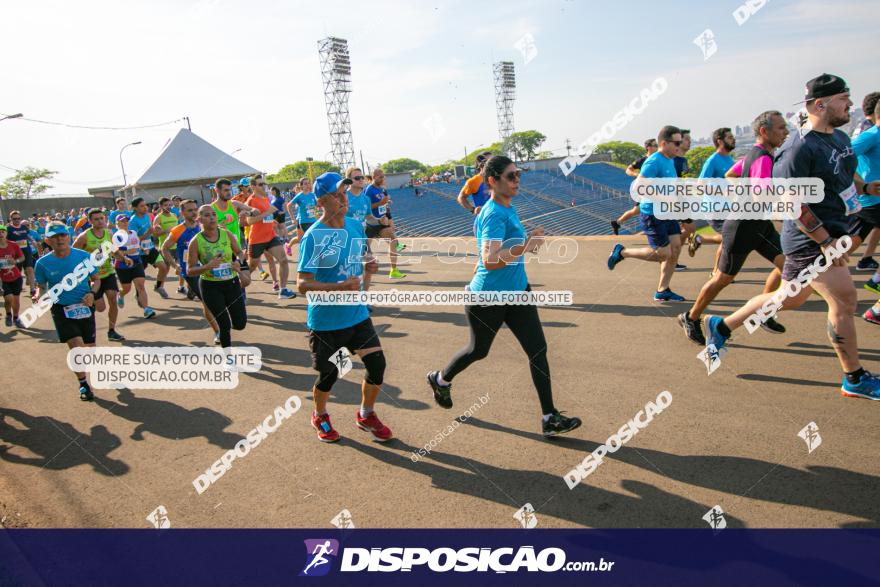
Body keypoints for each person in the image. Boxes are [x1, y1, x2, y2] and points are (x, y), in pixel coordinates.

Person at [702, 74, 880, 399]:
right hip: (809, 239)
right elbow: (790, 202)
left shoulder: (839, 138)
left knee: (790, 297)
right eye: (844, 98)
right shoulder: (798, 147)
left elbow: (845, 174)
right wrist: (825, 240)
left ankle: (722, 326)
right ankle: (853, 378)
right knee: (844, 298)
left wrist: (865, 187)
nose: (850, 104)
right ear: (820, 104)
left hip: (831, 232)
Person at [426, 155, 582, 437]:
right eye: (510, 176)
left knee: (538, 350)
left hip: (518, 293)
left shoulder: (506, 207)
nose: (517, 179)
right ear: (492, 181)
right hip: (488, 298)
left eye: (518, 174)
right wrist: (526, 245)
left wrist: (524, 246)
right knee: (479, 351)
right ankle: (440, 379)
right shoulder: (494, 213)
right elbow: (490, 260)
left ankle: (549, 417)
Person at [296, 172, 392, 443]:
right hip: (327, 321)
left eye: (344, 193)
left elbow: (360, 261)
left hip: (357, 314)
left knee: (377, 365)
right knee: (331, 374)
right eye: (336, 195)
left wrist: (368, 267)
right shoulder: (314, 237)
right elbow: (303, 285)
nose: (343, 199)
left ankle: (366, 413)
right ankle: (320, 414)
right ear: (320, 201)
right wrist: (338, 287)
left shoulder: (354, 226)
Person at [679, 112, 789, 344]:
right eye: (781, 128)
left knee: (788, 266)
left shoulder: (754, 155)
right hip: (742, 227)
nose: (785, 132)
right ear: (764, 132)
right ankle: (691, 317)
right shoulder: (762, 159)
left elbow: (731, 174)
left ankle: (764, 310)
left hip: (760, 225)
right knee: (722, 279)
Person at [607, 125, 686, 302]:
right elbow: (640, 186)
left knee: (676, 248)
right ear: (664, 143)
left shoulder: (669, 159)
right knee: (663, 254)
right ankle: (622, 252)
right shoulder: (654, 161)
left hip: (667, 213)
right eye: (676, 142)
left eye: (680, 142)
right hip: (653, 214)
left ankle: (662, 290)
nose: (679, 146)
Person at [33, 222, 104, 401]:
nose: (60, 239)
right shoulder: (42, 263)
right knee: (76, 345)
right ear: (47, 240)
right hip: (61, 308)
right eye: (55, 237)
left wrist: (91, 293)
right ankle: (83, 384)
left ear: (69, 236)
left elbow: (96, 280)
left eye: (63, 235)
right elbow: (41, 286)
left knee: (89, 348)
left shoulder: (84, 257)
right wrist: (38, 295)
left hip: (84, 305)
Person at [187, 205, 249, 348]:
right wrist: (207, 266)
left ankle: (227, 328)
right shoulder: (196, 242)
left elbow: (239, 252)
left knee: (240, 324)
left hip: (231, 283)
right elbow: (190, 270)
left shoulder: (226, 234)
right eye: (207, 215)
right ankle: (228, 357)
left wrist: (238, 262)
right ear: (199, 219)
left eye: (214, 214)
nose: (212, 218)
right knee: (224, 324)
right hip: (210, 286)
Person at [162, 199, 221, 344]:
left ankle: (220, 322)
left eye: (195, 209)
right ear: (181, 212)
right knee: (207, 302)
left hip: (209, 267)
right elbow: (164, 248)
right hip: (191, 271)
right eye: (189, 210)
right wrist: (175, 265)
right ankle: (218, 331)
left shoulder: (204, 226)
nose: (194, 212)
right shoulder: (177, 230)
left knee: (218, 299)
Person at [72, 209, 125, 341]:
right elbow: (73, 254)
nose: (100, 221)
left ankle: (112, 331)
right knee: (100, 308)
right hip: (93, 277)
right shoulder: (84, 236)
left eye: (102, 218)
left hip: (108, 272)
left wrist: (123, 258)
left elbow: (113, 250)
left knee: (113, 298)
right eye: (96, 219)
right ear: (90, 221)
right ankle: (84, 324)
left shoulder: (108, 233)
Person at [243, 174, 296, 299]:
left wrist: (273, 221)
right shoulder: (251, 200)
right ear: (253, 186)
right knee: (252, 266)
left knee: (283, 260)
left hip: (270, 236)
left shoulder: (266, 198)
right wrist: (267, 213)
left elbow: (267, 217)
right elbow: (249, 221)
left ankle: (282, 290)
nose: (264, 186)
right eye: (261, 184)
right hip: (257, 239)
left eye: (264, 183)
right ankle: (238, 287)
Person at [852, 96, 880, 299]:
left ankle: (817, 270)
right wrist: (861, 183)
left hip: (872, 201)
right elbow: (844, 156)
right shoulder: (871, 135)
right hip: (871, 199)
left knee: (850, 242)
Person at [364, 168, 406, 279]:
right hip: (371, 223)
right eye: (380, 176)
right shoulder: (369, 190)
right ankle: (356, 272)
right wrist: (380, 203)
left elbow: (382, 204)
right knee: (364, 250)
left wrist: (386, 203)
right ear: (374, 177)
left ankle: (394, 270)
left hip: (382, 222)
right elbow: (366, 208)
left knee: (393, 239)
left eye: (384, 176)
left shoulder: (380, 189)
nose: (383, 178)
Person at [112, 215, 157, 319]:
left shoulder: (133, 232)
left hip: (136, 261)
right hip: (123, 264)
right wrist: (128, 252)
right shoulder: (117, 236)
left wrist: (142, 249)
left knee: (140, 285)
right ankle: (121, 294)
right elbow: (116, 252)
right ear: (117, 224)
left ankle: (146, 309)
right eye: (122, 221)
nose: (125, 223)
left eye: (126, 221)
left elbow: (137, 244)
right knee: (127, 288)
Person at [612, 139, 658, 235]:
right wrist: (636, 174)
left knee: (636, 210)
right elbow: (628, 169)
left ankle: (617, 223)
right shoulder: (643, 160)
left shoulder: (658, 159)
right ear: (648, 147)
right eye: (655, 145)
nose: (657, 147)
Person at [128, 198, 170, 299]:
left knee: (164, 268)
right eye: (141, 206)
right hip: (139, 253)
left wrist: (158, 229)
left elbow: (152, 231)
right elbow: (134, 240)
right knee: (140, 277)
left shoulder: (147, 216)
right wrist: (148, 233)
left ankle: (158, 286)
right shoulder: (133, 221)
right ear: (135, 208)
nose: (145, 207)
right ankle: (139, 293)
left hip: (150, 249)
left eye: (145, 205)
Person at [152, 197, 184, 294]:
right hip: (165, 248)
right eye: (166, 205)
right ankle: (159, 286)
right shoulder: (158, 218)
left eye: (170, 205)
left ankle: (181, 287)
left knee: (182, 266)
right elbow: (155, 234)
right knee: (165, 269)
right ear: (161, 206)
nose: (168, 207)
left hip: (177, 246)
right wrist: (167, 230)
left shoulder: (174, 215)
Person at [6, 211, 37, 298]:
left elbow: (27, 235)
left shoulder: (23, 226)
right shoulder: (8, 228)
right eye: (14, 219)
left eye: (18, 218)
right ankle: (16, 288)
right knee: (17, 272)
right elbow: (5, 240)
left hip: (26, 251)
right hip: (15, 253)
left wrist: (32, 240)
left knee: (30, 269)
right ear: (11, 219)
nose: (17, 220)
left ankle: (32, 289)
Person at [0, 224, 25, 328]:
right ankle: (8, 315)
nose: (1, 234)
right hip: (3, 279)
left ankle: (16, 318)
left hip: (16, 276)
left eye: (2, 231)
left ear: (6, 233)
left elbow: (22, 257)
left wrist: (16, 261)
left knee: (16, 299)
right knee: (8, 298)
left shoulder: (13, 244)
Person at [457, 151, 493, 215]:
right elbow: (461, 197)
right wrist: (473, 210)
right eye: (489, 161)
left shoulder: (497, 177)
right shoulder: (473, 181)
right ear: (481, 164)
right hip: (485, 220)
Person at [287, 177, 318, 245]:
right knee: (310, 239)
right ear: (301, 186)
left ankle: (288, 245)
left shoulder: (312, 195)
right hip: (303, 221)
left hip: (313, 220)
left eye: (308, 183)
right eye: (305, 184)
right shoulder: (299, 196)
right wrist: (292, 219)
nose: (307, 185)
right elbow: (288, 205)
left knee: (299, 239)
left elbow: (317, 205)